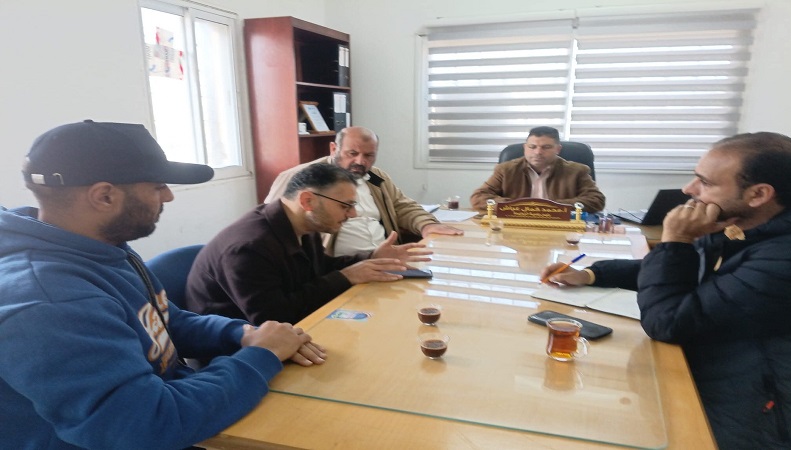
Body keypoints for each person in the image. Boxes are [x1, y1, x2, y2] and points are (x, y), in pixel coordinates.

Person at [0, 120, 327, 449]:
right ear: (104, 196)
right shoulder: (48, 302)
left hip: (174, 411)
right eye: (158, 186)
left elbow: (163, 319)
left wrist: (243, 334)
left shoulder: (98, 246)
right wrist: (261, 355)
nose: (168, 196)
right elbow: (145, 425)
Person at [540, 132, 791, 449]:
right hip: (712, 374)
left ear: (758, 194)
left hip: (753, 415)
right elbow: (685, 271)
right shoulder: (745, 226)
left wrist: (677, 240)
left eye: (705, 182)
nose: (689, 190)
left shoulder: (788, 255)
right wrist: (593, 274)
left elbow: (668, 322)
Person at [186, 163, 432, 326]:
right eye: (345, 206)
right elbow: (275, 318)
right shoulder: (248, 249)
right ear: (307, 201)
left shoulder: (302, 224)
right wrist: (345, 277)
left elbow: (320, 268)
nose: (353, 214)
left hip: (287, 330)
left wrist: (371, 257)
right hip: (234, 352)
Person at [264, 126, 463, 256]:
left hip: (384, 259)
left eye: (368, 156)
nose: (360, 161)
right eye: (352, 153)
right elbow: (274, 223)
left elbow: (403, 206)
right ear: (333, 149)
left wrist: (426, 225)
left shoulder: (376, 177)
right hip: (335, 266)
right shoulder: (302, 177)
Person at [470, 126, 605, 213]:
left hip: (560, 228)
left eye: (546, 147)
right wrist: (518, 207)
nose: (538, 152)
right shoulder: (506, 169)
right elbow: (478, 197)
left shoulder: (576, 171)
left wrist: (549, 207)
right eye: (532, 147)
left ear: (558, 149)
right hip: (515, 226)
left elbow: (596, 200)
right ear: (525, 148)